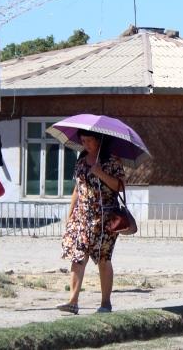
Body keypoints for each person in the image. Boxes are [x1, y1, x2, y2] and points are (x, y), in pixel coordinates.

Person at [58, 130, 126, 314]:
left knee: (103, 259)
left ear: (99, 140)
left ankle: (105, 303)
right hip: (81, 218)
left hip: (104, 220)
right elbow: (77, 188)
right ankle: (73, 301)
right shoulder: (81, 160)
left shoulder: (112, 161)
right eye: (83, 140)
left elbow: (120, 186)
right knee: (78, 256)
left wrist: (100, 173)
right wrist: (70, 213)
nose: (85, 144)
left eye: (89, 140)